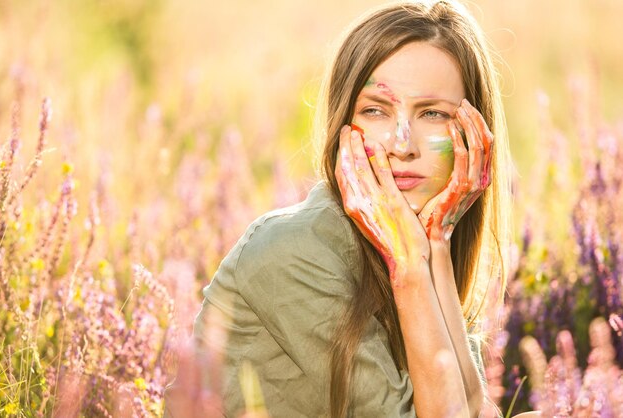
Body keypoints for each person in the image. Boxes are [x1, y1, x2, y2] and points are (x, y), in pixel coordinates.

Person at [164, 1, 514, 417]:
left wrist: (437, 244)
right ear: (342, 126)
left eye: (432, 113)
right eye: (375, 111)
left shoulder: (417, 242)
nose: (402, 145)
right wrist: (412, 268)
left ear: (476, 134)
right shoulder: (295, 253)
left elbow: (472, 409)